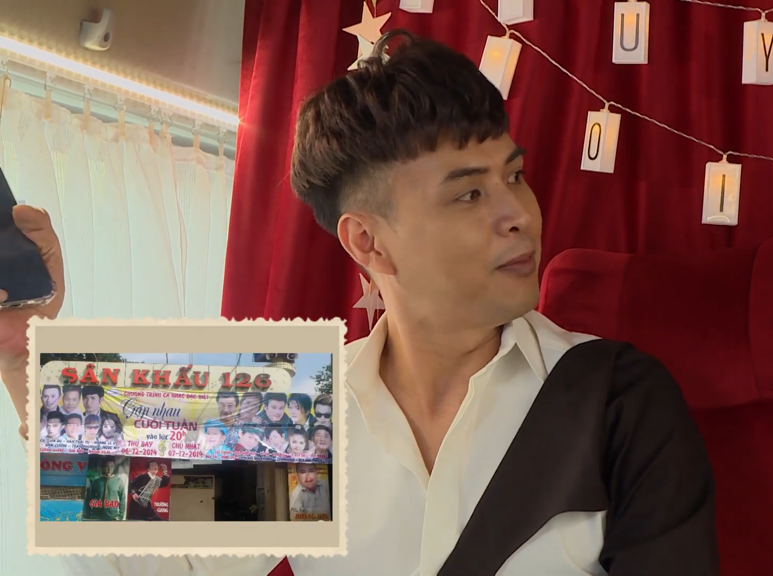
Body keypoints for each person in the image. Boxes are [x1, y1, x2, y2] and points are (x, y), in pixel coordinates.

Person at [0, 29, 717, 576]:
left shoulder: (617, 398)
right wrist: (19, 355)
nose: (518, 214)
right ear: (368, 242)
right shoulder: (299, 406)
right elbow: (151, 566)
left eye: (514, 176)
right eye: (469, 193)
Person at [83, 457, 126, 521]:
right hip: (96, 516)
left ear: (114, 467)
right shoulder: (96, 481)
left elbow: (122, 499)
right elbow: (89, 499)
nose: (109, 469)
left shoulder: (118, 481)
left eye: (112, 466)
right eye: (106, 466)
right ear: (102, 467)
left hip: (112, 517)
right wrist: (88, 515)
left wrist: (120, 516)